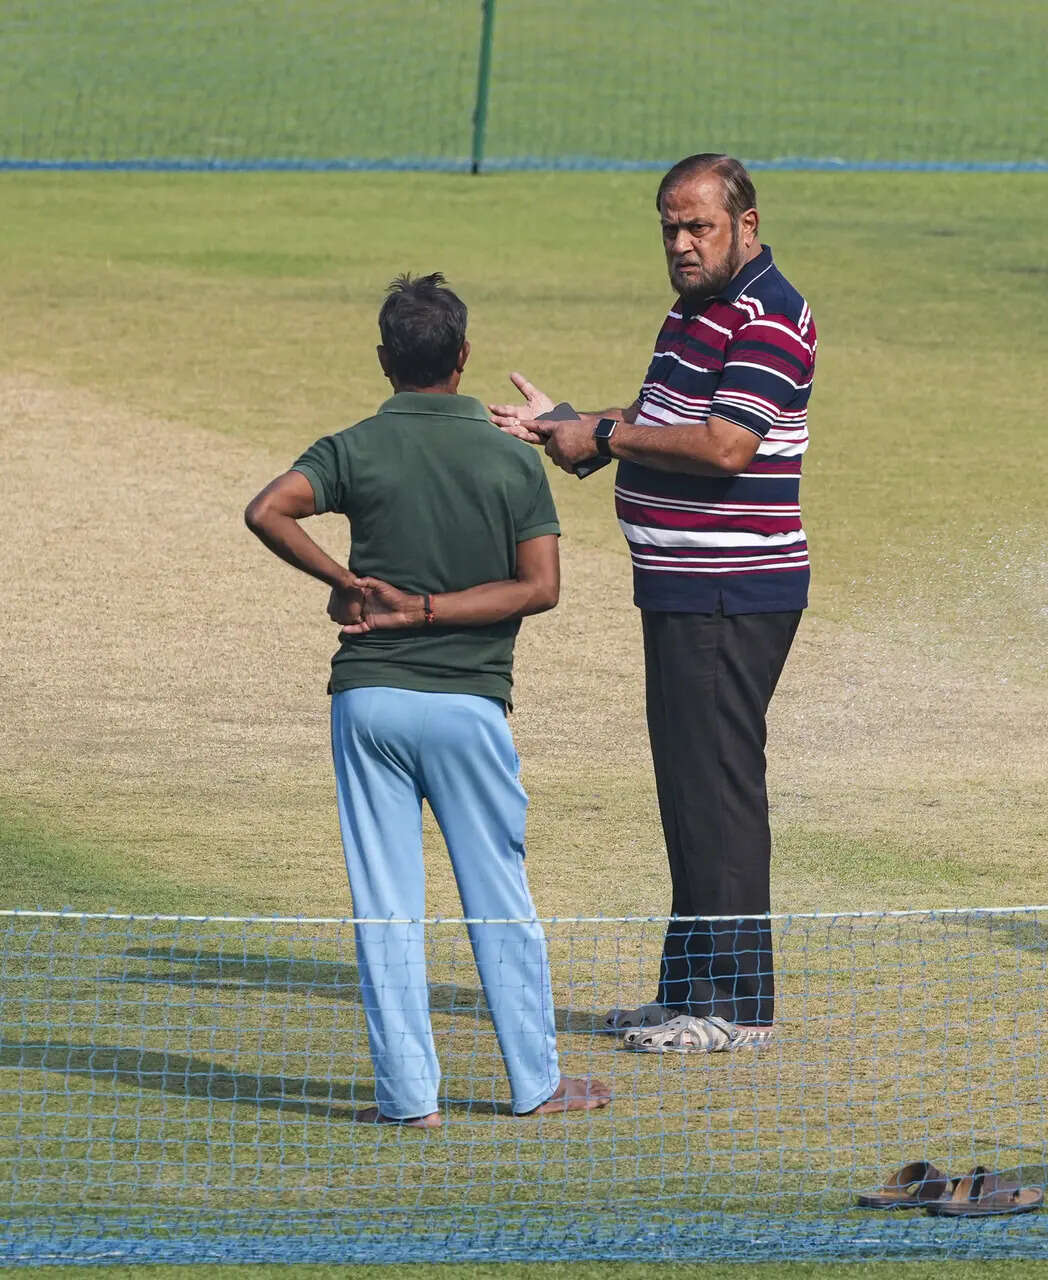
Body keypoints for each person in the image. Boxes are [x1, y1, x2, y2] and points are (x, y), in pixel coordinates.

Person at [243, 272, 611, 1122]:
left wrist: (347, 584)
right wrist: (435, 612)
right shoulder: (507, 457)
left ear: (385, 361)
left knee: (385, 905)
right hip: (468, 707)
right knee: (498, 897)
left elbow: (268, 511)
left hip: (367, 702)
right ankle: (536, 1086)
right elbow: (540, 587)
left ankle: (409, 1100)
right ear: (465, 356)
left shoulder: (353, 446)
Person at [490, 154, 815, 1054]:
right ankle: (688, 994)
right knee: (688, 792)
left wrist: (601, 434)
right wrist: (575, 429)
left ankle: (737, 1010)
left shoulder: (771, 315)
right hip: (681, 589)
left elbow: (723, 448)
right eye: (669, 227)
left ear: (745, 223)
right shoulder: (693, 312)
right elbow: (660, 417)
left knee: (718, 789)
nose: (680, 242)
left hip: (731, 591)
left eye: (698, 226)